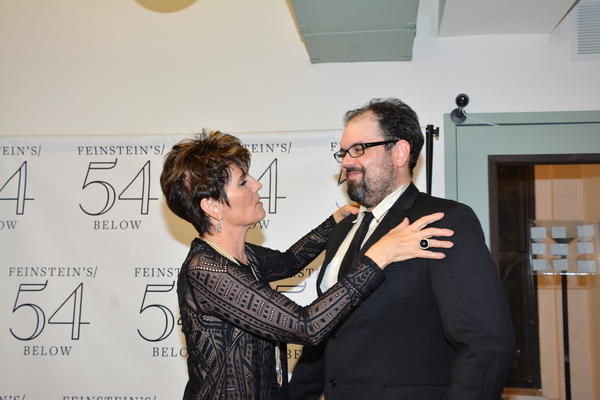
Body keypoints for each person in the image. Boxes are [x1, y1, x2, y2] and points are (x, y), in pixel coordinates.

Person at [159, 130, 454, 400]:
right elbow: (305, 326)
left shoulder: (244, 256)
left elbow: (289, 262)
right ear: (212, 206)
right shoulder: (206, 270)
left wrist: (334, 223)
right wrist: (380, 255)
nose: (258, 184)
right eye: (243, 182)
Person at [289, 98, 516, 400]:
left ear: (399, 152)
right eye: (343, 152)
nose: (346, 161)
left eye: (358, 149)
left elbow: (487, 343)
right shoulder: (343, 229)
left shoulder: (444, 220)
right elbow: (327, 334)